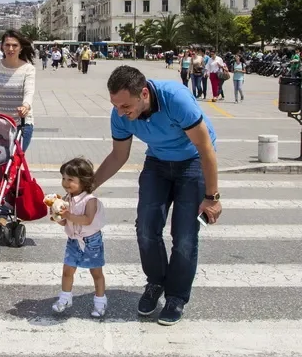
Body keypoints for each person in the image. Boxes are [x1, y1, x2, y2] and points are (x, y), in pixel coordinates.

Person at [93, 66, 221, 326]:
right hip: (157, 163)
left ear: (143, 94)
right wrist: (87, 188)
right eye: (116, 106)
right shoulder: (120, 114)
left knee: (184, 237)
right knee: (146, 229)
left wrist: (212, 196)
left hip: (193, 162)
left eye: (126, 106)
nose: (121, 113)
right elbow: (119, 156)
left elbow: (205, 147)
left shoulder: (175, 99)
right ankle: (156, 283)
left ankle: (176, 296)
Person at [51, 158, 107, 318]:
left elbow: (87, 219)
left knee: (96, 272)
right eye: (63, 178)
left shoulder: (90, 200)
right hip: (74, 240)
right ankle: (65, 298)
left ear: (83, 181)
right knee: (67, 270)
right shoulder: (66, 198)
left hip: (92, 241)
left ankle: (100, 301)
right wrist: (58, 217)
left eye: (70, 180)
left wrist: (68, 215)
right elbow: (65, 223)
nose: (65, 183)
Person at [0, 29, 35, 151]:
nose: (11, 49)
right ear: (2, 47)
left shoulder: (28, 69)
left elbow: (29, 93)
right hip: (0, 124)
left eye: (15, 45)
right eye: (7, 45)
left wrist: (26, 106)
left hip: (22, 124)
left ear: (21, 48)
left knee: (14, 162)